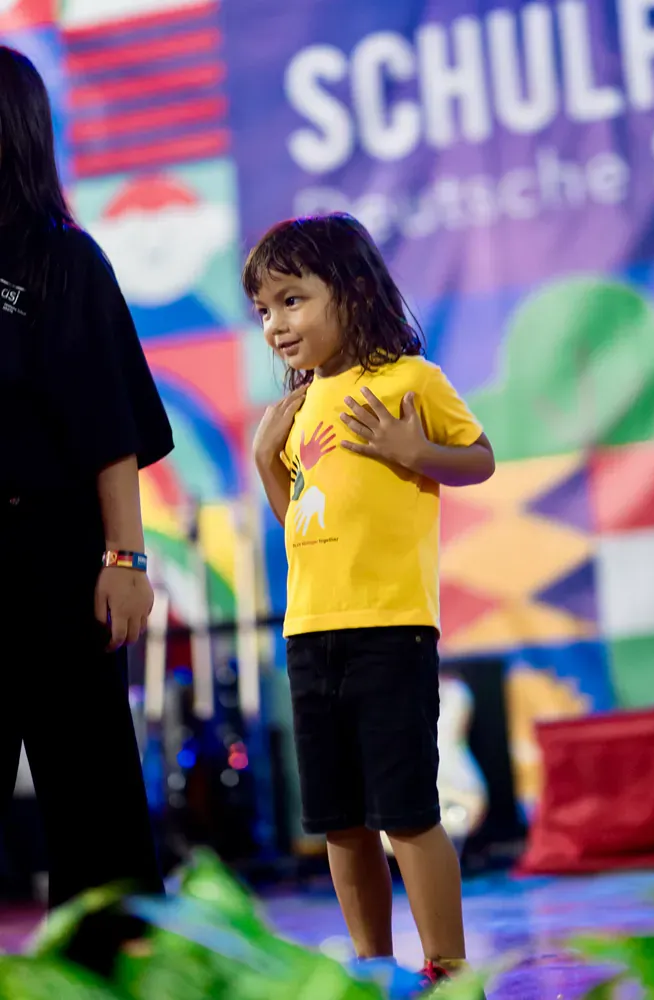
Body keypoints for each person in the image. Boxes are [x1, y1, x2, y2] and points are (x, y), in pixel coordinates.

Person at [245, 214, 495, 992]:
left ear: (351, 292)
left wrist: (413, 453)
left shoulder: (409, 381)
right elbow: (305, 529)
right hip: (309, 635)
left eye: (291, 300)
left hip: (390, 631)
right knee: (337, 822)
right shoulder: (295, 408)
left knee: (407, 812)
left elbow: (478, 458)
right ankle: (369, 967)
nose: (275, 325)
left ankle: (448, 969)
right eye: (263, 311)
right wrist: (264, 460)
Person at [0, 46, 173, 908]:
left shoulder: (64, 260)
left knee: (93, 797)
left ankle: (123, 972)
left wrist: (126, 560)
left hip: (55, 553)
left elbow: (111, 429)